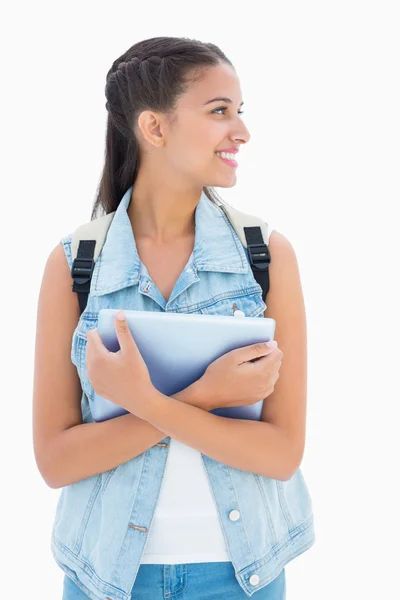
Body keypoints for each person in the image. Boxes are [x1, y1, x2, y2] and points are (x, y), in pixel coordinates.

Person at [33, 36, 315, 600]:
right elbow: (56, 462)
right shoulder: (75, 266)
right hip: (107, 579)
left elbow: (282, 454)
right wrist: (203, 396)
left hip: (243, 578)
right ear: (154, 129)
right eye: (219, 112)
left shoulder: (264, 258)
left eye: (239, 112)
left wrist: (150, 401)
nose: (241, 131)